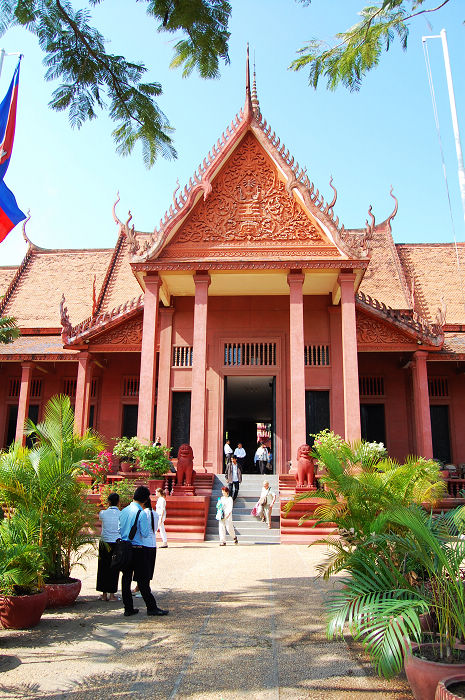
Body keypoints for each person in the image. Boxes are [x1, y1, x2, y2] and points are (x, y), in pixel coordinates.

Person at [119, 485, 168, 617]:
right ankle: (151, 607)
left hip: (124, 547)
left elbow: (119, 528)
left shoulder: (123, 511)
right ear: (145, 499)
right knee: (143, 579)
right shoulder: (140, 513)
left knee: (126, 579)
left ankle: (128, 608)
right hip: (137, 549)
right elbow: (145, 533)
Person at [96, 492, 121, 601]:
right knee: (114, 568)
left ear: (108, 502)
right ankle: (112, 594)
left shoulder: (103, 513)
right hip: (116, 542)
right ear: (118, 502)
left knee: (103, 567)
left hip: (105, 542)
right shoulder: (121, 514)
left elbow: (101, 519)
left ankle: (104, 594)